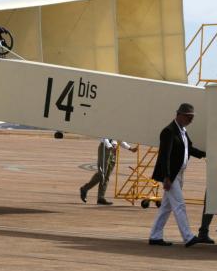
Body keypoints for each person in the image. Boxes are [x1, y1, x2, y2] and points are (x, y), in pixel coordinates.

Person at [148, 103, 206, 248]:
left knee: (166, 207)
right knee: (179, 205)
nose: (191, 120)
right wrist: (166, 177)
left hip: (179, 174)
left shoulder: (182, 130)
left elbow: (189, 148)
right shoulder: (168, 131)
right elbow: (164, 156)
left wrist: (205, 154)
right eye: (189, 117)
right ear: (179, 115)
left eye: (192, 117)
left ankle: (155, 236)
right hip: (171, 176)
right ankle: (188, 237)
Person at [80, 137, 137, 205]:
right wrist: (110, 147)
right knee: (102, 173)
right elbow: (104, 138)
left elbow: (120, 140)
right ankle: (85, 188)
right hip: (105, 148)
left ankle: (101, 197)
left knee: (106, 176)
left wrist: (130, 148)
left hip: (113, 150)